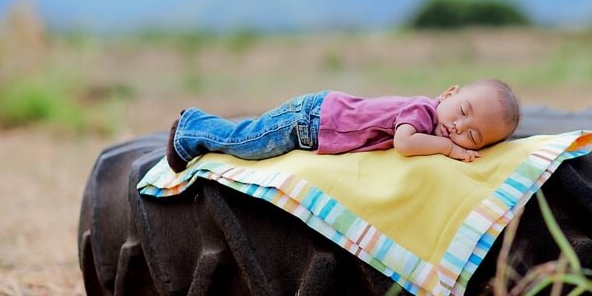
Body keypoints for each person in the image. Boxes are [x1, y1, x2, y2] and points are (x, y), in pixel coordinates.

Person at [165, 78, 520, 173]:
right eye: (461, 111)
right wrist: (450, 148)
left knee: (254, 133)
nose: (458, 127)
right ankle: (192, 129)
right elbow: (405, 143)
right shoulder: (423, 112)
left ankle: (199, 130)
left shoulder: (432, 119)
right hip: (312, 120)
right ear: (448, 93)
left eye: (472, 135)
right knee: (249, 143)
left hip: (318, 120)